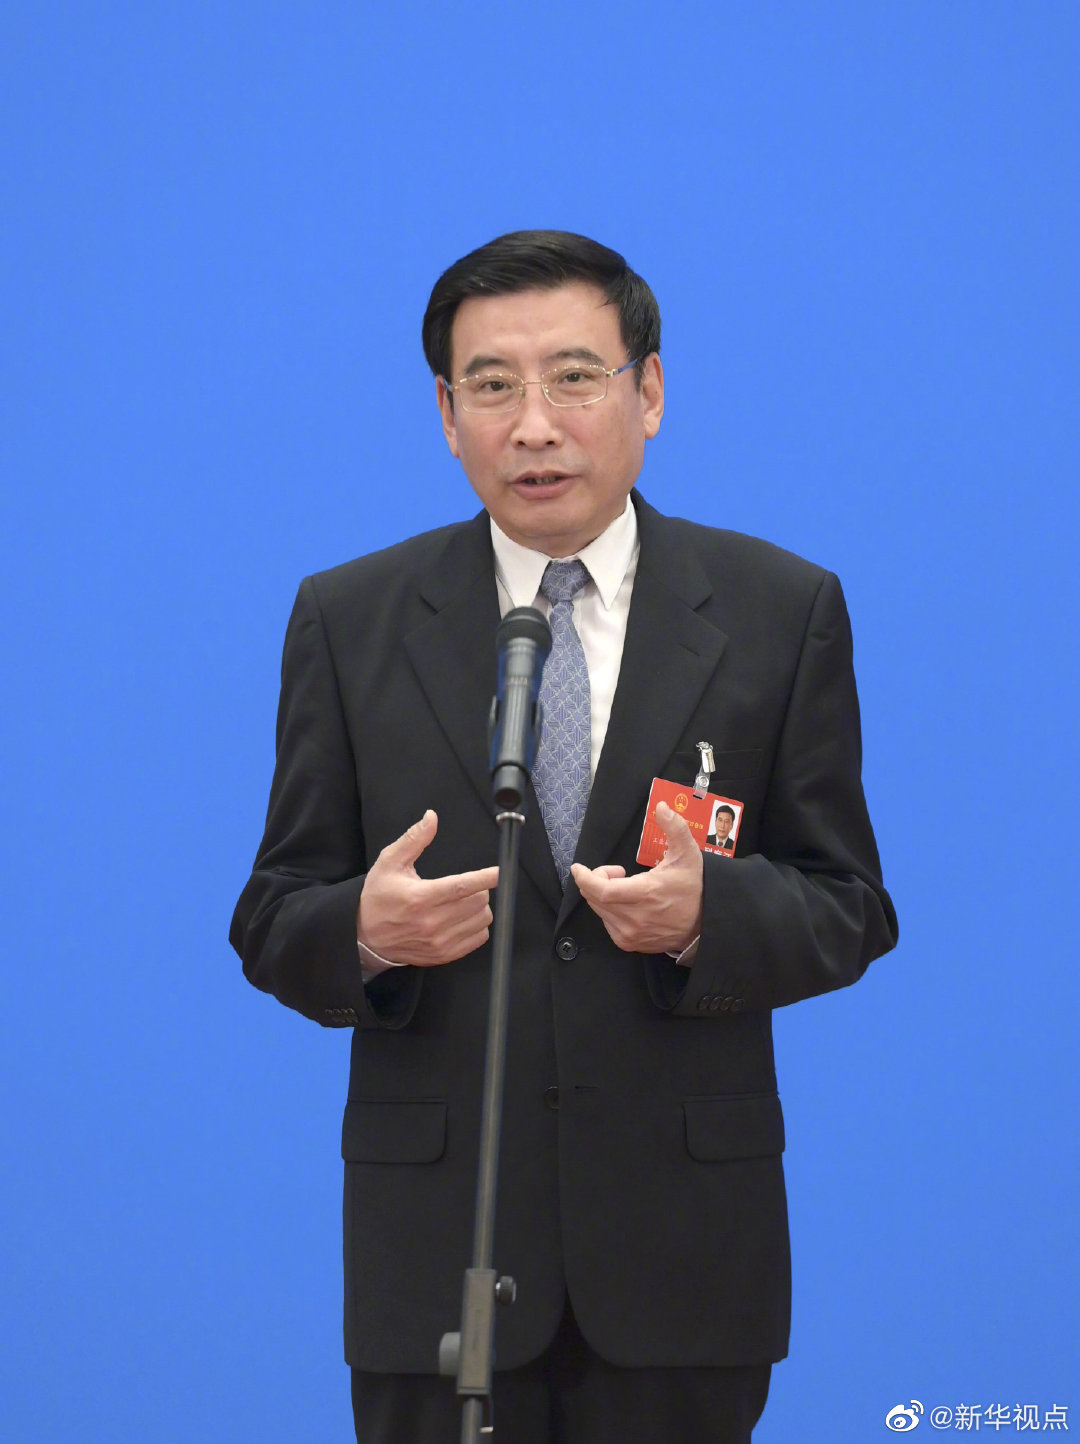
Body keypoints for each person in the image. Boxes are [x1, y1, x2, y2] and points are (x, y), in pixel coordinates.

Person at [230, 230, 898, 1443]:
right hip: (439, 1257)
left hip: (683, 1258)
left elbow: (849, 904)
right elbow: (275, 916)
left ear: (650, 391)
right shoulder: (350, 617)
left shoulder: (777, 608)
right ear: (447, 414)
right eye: (492, 385)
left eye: (575, 377)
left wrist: (707, 918)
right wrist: (367, 934)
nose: (534, 424)